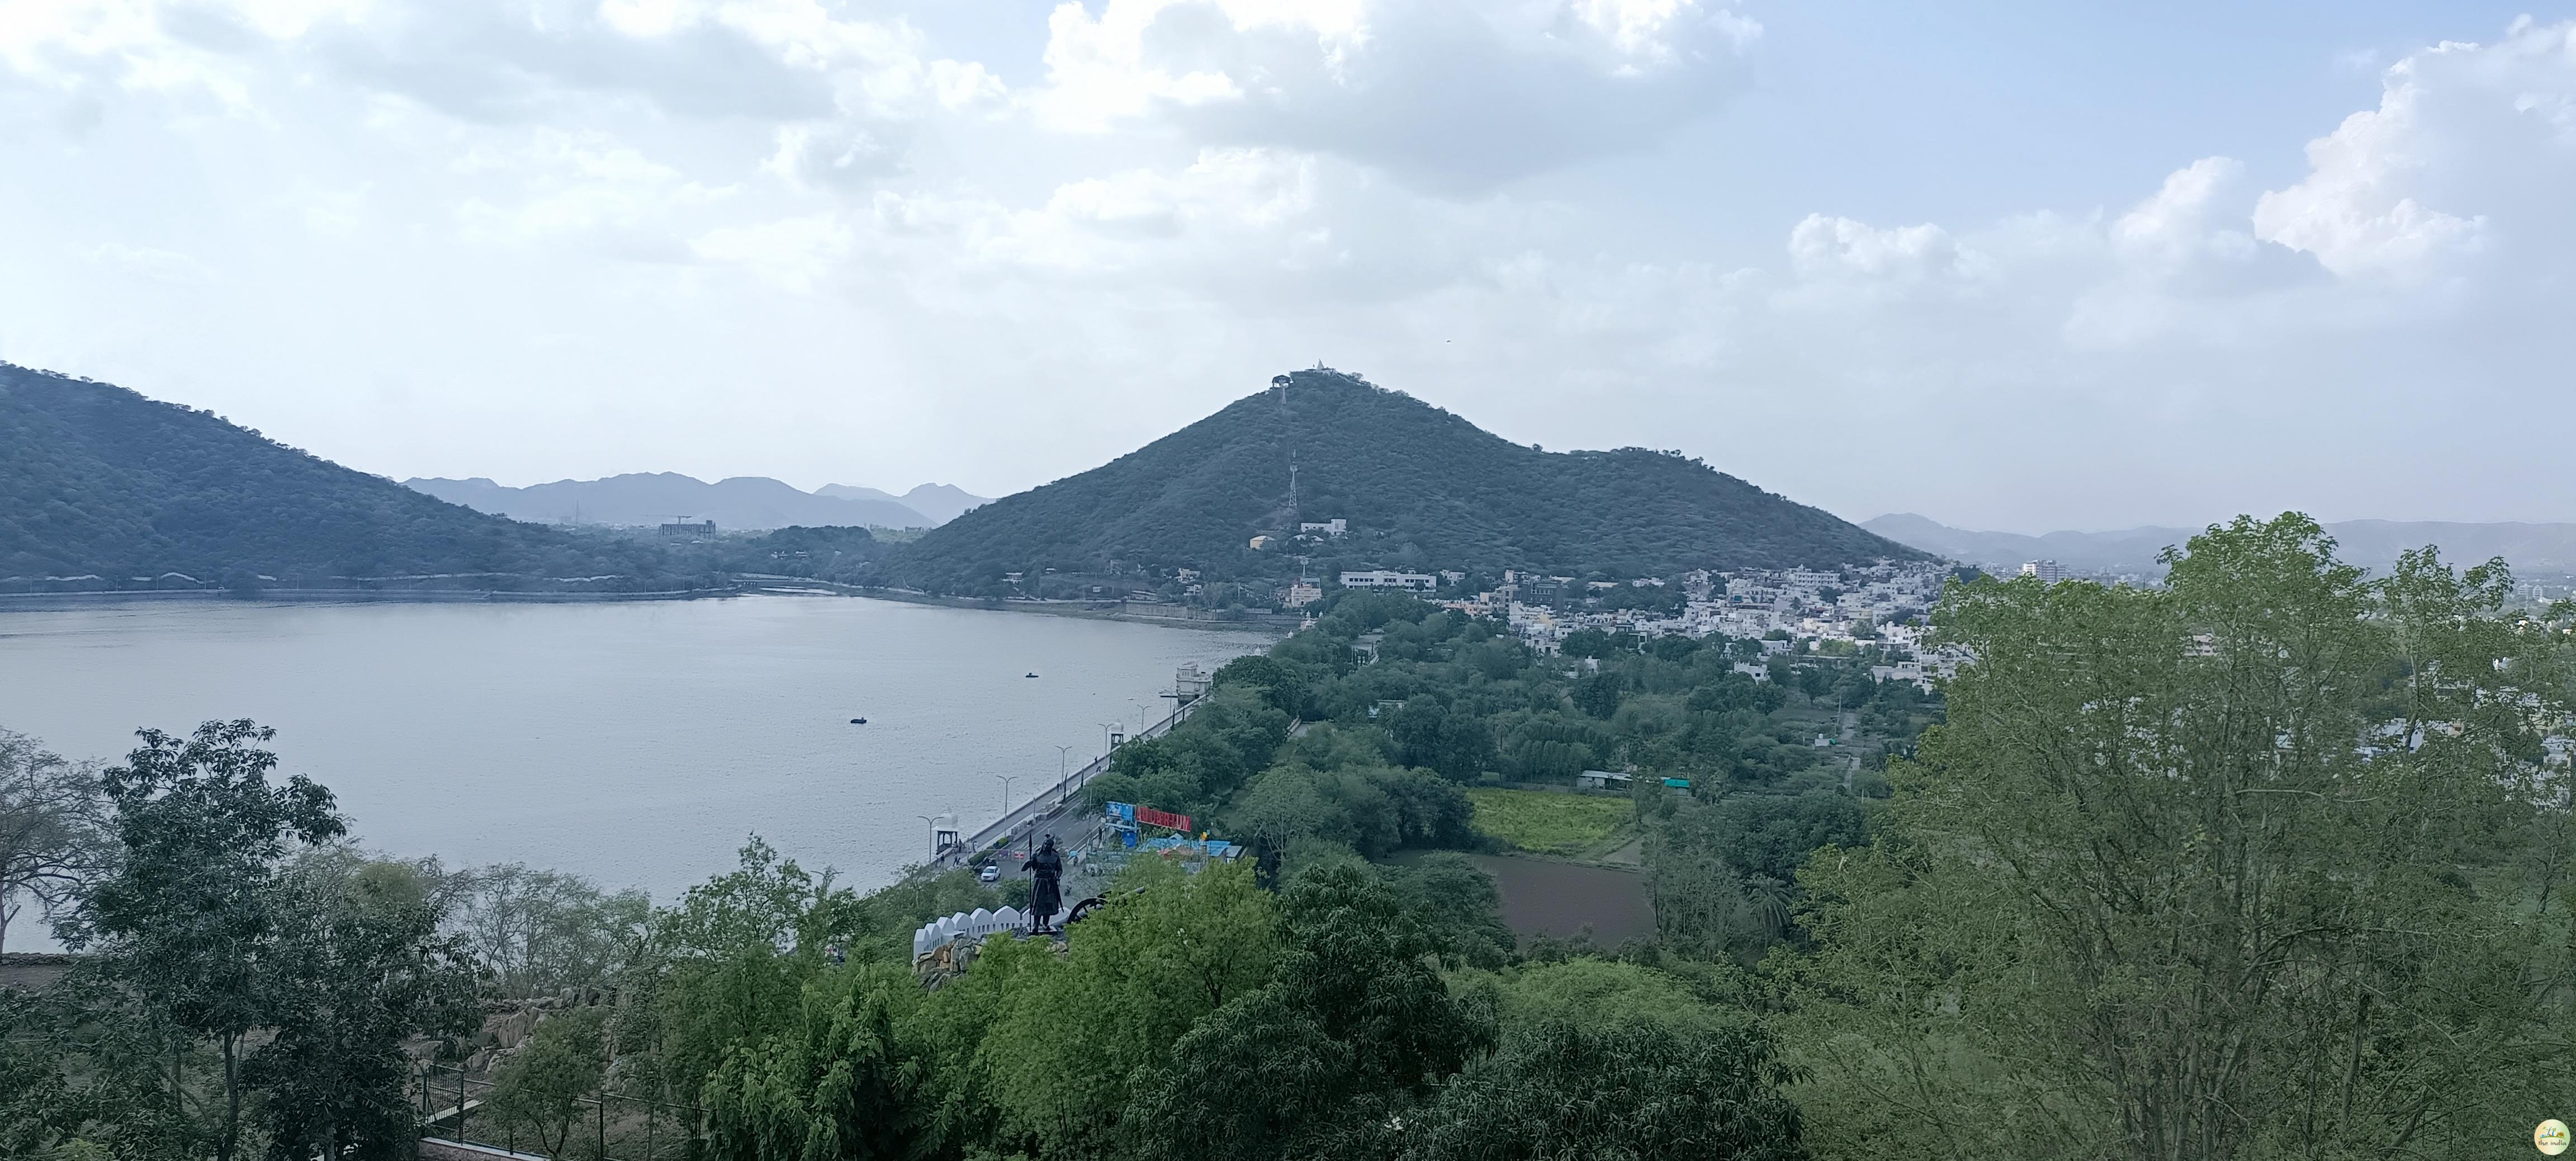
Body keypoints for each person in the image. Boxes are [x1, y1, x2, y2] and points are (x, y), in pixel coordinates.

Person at [1025, 834, 1064, 931]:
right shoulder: (1036, 855)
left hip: (1051, 882)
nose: (1046, 846)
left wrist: (1057, 877)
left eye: (1048, 845)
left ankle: (1046, 924)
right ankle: (1036, 924)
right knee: (1038, 903)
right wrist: (1030, 863)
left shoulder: (1055, 857)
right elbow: (1032, 867)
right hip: (1040, 882)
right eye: (1045, 844)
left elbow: (1060, 869)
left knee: (1049, 904)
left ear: (1051, 847)